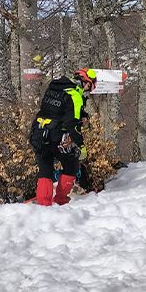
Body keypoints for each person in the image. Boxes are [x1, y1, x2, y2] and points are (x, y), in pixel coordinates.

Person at [28, 68, 96, 206]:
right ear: (85, 82)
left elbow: (54, 110)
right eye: (89, 86)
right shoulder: (75, 95)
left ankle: (43, 203)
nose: (87, 90)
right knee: (71, 165)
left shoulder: (54, 86)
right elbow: (72, 125)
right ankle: (60, 199)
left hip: (38, 131)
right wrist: (81, 146)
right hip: (56, 134)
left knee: (45, 168)